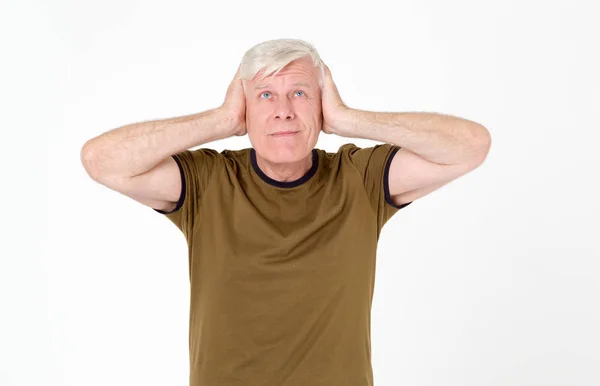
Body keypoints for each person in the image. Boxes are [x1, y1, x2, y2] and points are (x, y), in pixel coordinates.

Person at [81, 38, 491, 385]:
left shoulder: (359, 178)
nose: (284, 111)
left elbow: (471, 146)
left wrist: (349, 119)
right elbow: (102, 161)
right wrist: (221, 119)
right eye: (265, 95)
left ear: (321, 105)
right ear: (245, 107)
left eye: (299, 93)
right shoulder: (209, 181)